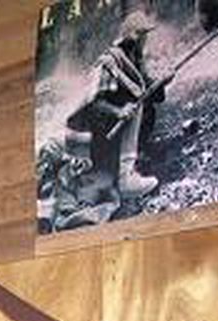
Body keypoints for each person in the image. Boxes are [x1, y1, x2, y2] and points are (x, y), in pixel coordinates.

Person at [66, 9, 164, 200]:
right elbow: (95, 104)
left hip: (125, 131)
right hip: (105, 132)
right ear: (132, 37)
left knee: (144, 107)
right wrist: (118, 112)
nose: (144, 41)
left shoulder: (136, 61)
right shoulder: (109, 63)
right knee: (133, 106)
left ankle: (135, 161)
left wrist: (163, 81)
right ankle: (124, 177)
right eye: (142, 35)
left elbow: (152, 95)